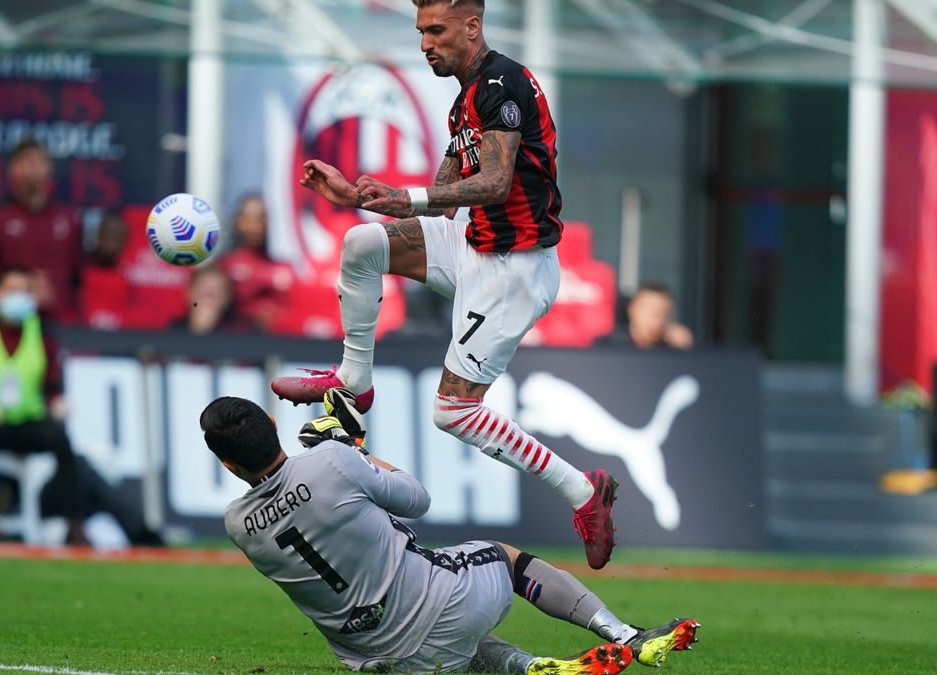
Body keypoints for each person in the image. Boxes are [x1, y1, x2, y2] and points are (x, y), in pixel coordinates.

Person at [270, 0, 619, 570]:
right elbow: (443, 193)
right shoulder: (465, 99)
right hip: (472, 245)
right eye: (420, 31)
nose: (425, 43)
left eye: (436, 30)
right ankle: (355, 384)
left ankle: (584, 491)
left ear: (472, 25)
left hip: (514, 269)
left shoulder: (500, 84)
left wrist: (404, 199)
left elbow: (497, 181)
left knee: (452, 413)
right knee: (362, 243)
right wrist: (360, 198)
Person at [201, 389, 699, 673]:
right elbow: (415, 498)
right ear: (271, 421)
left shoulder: (237, 525)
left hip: (378, 659)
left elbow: (299, 505)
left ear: (226, 464)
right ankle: (627, 635)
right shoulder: (330, 461)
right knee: (502, 558)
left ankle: (529, 667)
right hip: (440, 604)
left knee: (438, 646)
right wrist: (352, 446)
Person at [0, 267, 85, 542]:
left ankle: (73, 521)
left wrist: (57, 403)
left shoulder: (41, 334)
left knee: (61, 438)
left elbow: (51, 387)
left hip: (24, 422)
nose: (18, 297)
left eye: (25, 291)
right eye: (11, 290)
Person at [0, 138, 83, 323]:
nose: (32, 167)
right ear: (12, 168)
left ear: (49, 168)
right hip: (11, 321)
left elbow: (78, 276)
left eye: (39, 160)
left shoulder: (69, 219)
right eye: (25, 160)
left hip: (61, 321)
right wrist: (20, 285)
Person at [217, 193, 295, 331]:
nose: (255, 224)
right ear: (237, 221)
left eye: (262, 217)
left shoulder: (287, 269)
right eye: (248, 217)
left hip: (279, 342)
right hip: (236, 342)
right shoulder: (223, 267)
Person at [600, 282, 694, 351]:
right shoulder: (610, 347)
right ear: (632, 310)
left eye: (664, 311)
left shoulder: (673, 349)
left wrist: (685, 350)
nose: (656, 316)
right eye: (649, 309)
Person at [81, 212, 131, 330]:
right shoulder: (80, 274)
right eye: (108, 234)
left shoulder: (129, 279)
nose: (112, 242)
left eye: (118, 237)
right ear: (97, 236)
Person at [169, 265, 250, 335]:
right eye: (203, 287)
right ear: (189, 293)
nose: (209, 293)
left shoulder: (243, 331)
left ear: (227, 297)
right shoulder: (174, 331)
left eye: (217, 288)